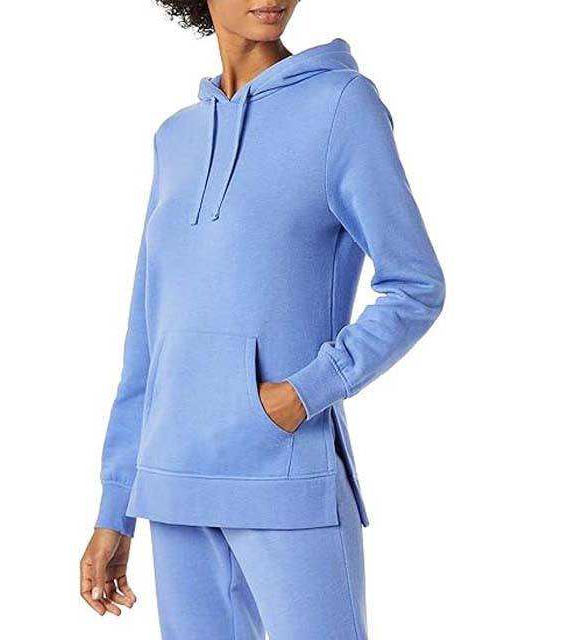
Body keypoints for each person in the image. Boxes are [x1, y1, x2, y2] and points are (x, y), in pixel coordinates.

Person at [80, 2, 445, 638]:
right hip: (173, 486)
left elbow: (415, 285)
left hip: (285, 475)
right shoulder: (176, 139)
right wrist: (117, 504)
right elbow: (147, 337)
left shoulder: (342, 106)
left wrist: (303, 394)